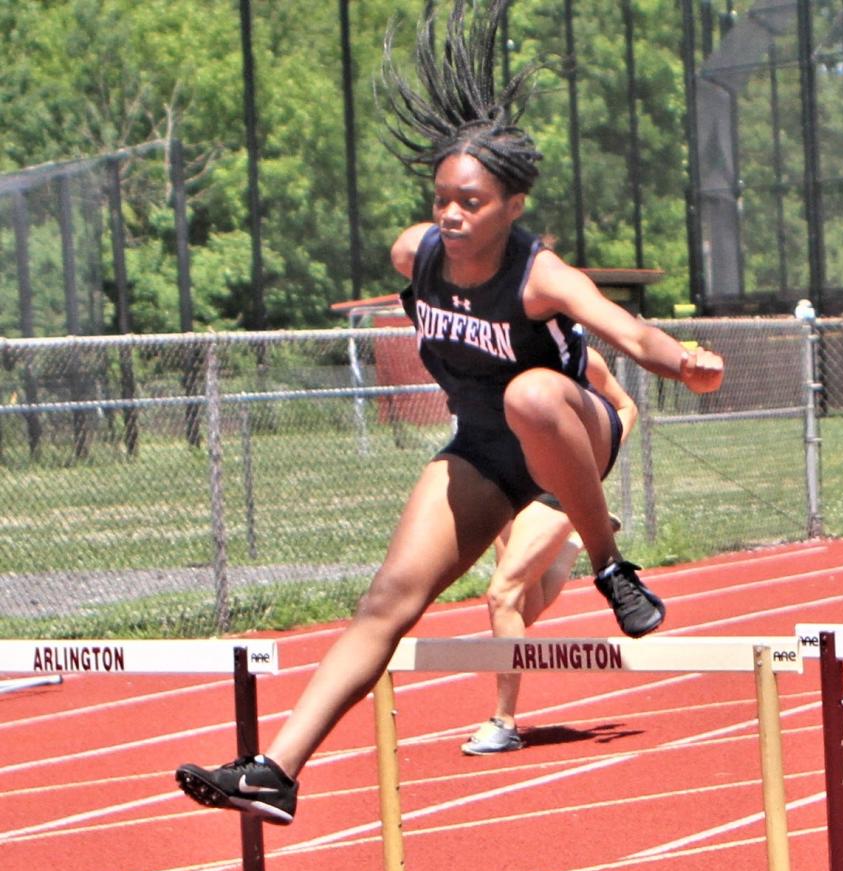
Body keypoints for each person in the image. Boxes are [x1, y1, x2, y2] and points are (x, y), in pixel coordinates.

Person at [174, 0, 723, 825]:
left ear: (512, 206)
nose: (452, 216)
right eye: (442, 200)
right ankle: (276, 770)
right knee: (388, 597)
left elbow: (627, 330)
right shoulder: (417, 256)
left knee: (530, 392)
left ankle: (611, 563)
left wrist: (685, 364)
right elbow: (423, 249)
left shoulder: (543, 277)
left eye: (470, 202)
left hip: (575, 433)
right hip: (486, 453)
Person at [464, 344, 637, 755]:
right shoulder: (494, 350)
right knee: (525, 607)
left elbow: (625, 406)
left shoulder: (583, 359)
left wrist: (592, 466)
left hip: (557, 487)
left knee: (501, 594)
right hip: (508, 483)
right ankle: (573, 546)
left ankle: (504, 721)